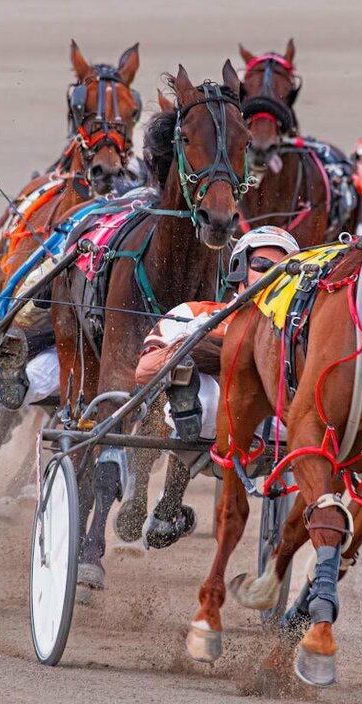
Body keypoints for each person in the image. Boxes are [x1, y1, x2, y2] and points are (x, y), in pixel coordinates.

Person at [134, 225, 300, 547]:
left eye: (284, 270)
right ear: (238, 268)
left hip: (277, 423)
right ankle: (187, 396)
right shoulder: (194, 314)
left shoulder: (298, 332)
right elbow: (144, 370)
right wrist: (193, 351)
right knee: (201, 393)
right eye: (263, 267)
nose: (273, 277)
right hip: (209, 414)